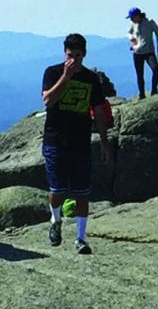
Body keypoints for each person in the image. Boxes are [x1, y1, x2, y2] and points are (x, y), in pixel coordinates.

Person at [41, 34, 111, 253]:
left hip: (80, 141)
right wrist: (66, 76)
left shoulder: (91, 79)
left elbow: (99, 113)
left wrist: (104, 143)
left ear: (84, 54)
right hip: (55, 139)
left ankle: (81, 238)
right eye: (70, 56)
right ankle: (55, 221)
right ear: (65, 53)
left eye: (78, 56)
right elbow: (48, 100)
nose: (74, 60)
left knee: (82, 192)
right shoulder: (53, 72)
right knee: (58, 190)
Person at [126, 8, 158, 99]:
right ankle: (141, 94)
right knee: (140, 74)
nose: (131, 19)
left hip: (149, 51)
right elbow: (129, 33)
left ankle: (154, 89)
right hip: (137, 52)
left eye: (132, 17)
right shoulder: (133, 24)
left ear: (137, 16)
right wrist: (133, 41)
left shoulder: (150, 22)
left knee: (155, 69)